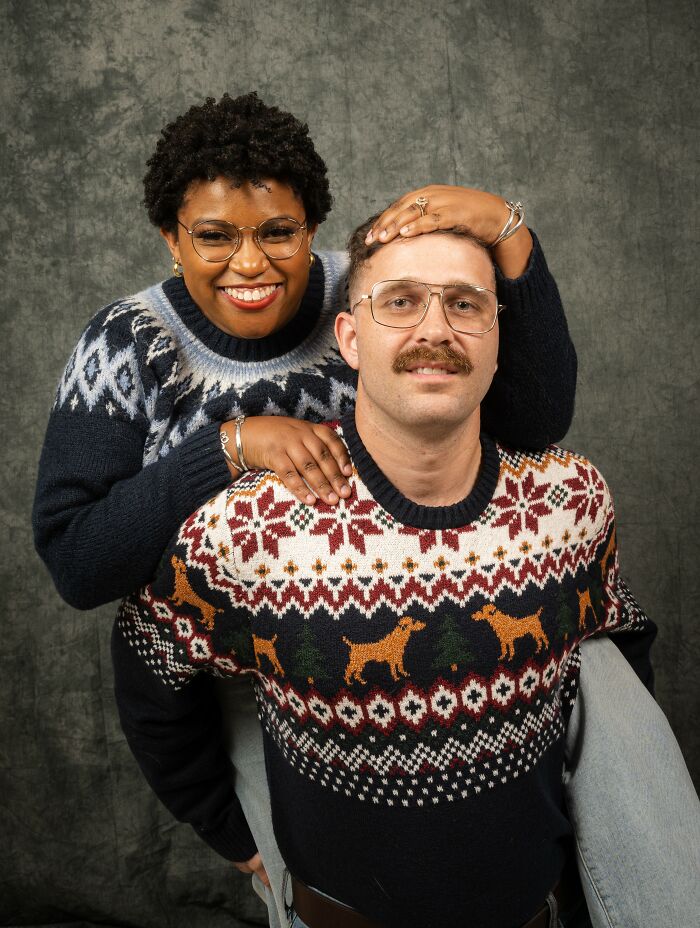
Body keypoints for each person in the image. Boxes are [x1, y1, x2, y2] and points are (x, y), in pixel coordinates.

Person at [111, 219, 696, 928]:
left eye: (466, 303)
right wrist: (228, 833)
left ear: (496, 336)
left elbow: (622, 652)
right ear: (352, 339)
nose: (436, 328)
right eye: (400, 301)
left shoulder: (570, 502)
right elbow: (150, 672)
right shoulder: (246, 528)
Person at [32, 92, 576, 612]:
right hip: (205, 664)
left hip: (382, 606)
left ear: (312, 228)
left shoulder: (374, 297)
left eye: (279, 232)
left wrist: (511, 235)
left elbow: (534, 422)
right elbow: (78, 563)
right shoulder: (127, 343)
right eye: (215, 237)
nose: (249, 264)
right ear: (172, 241)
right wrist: (230, 446)